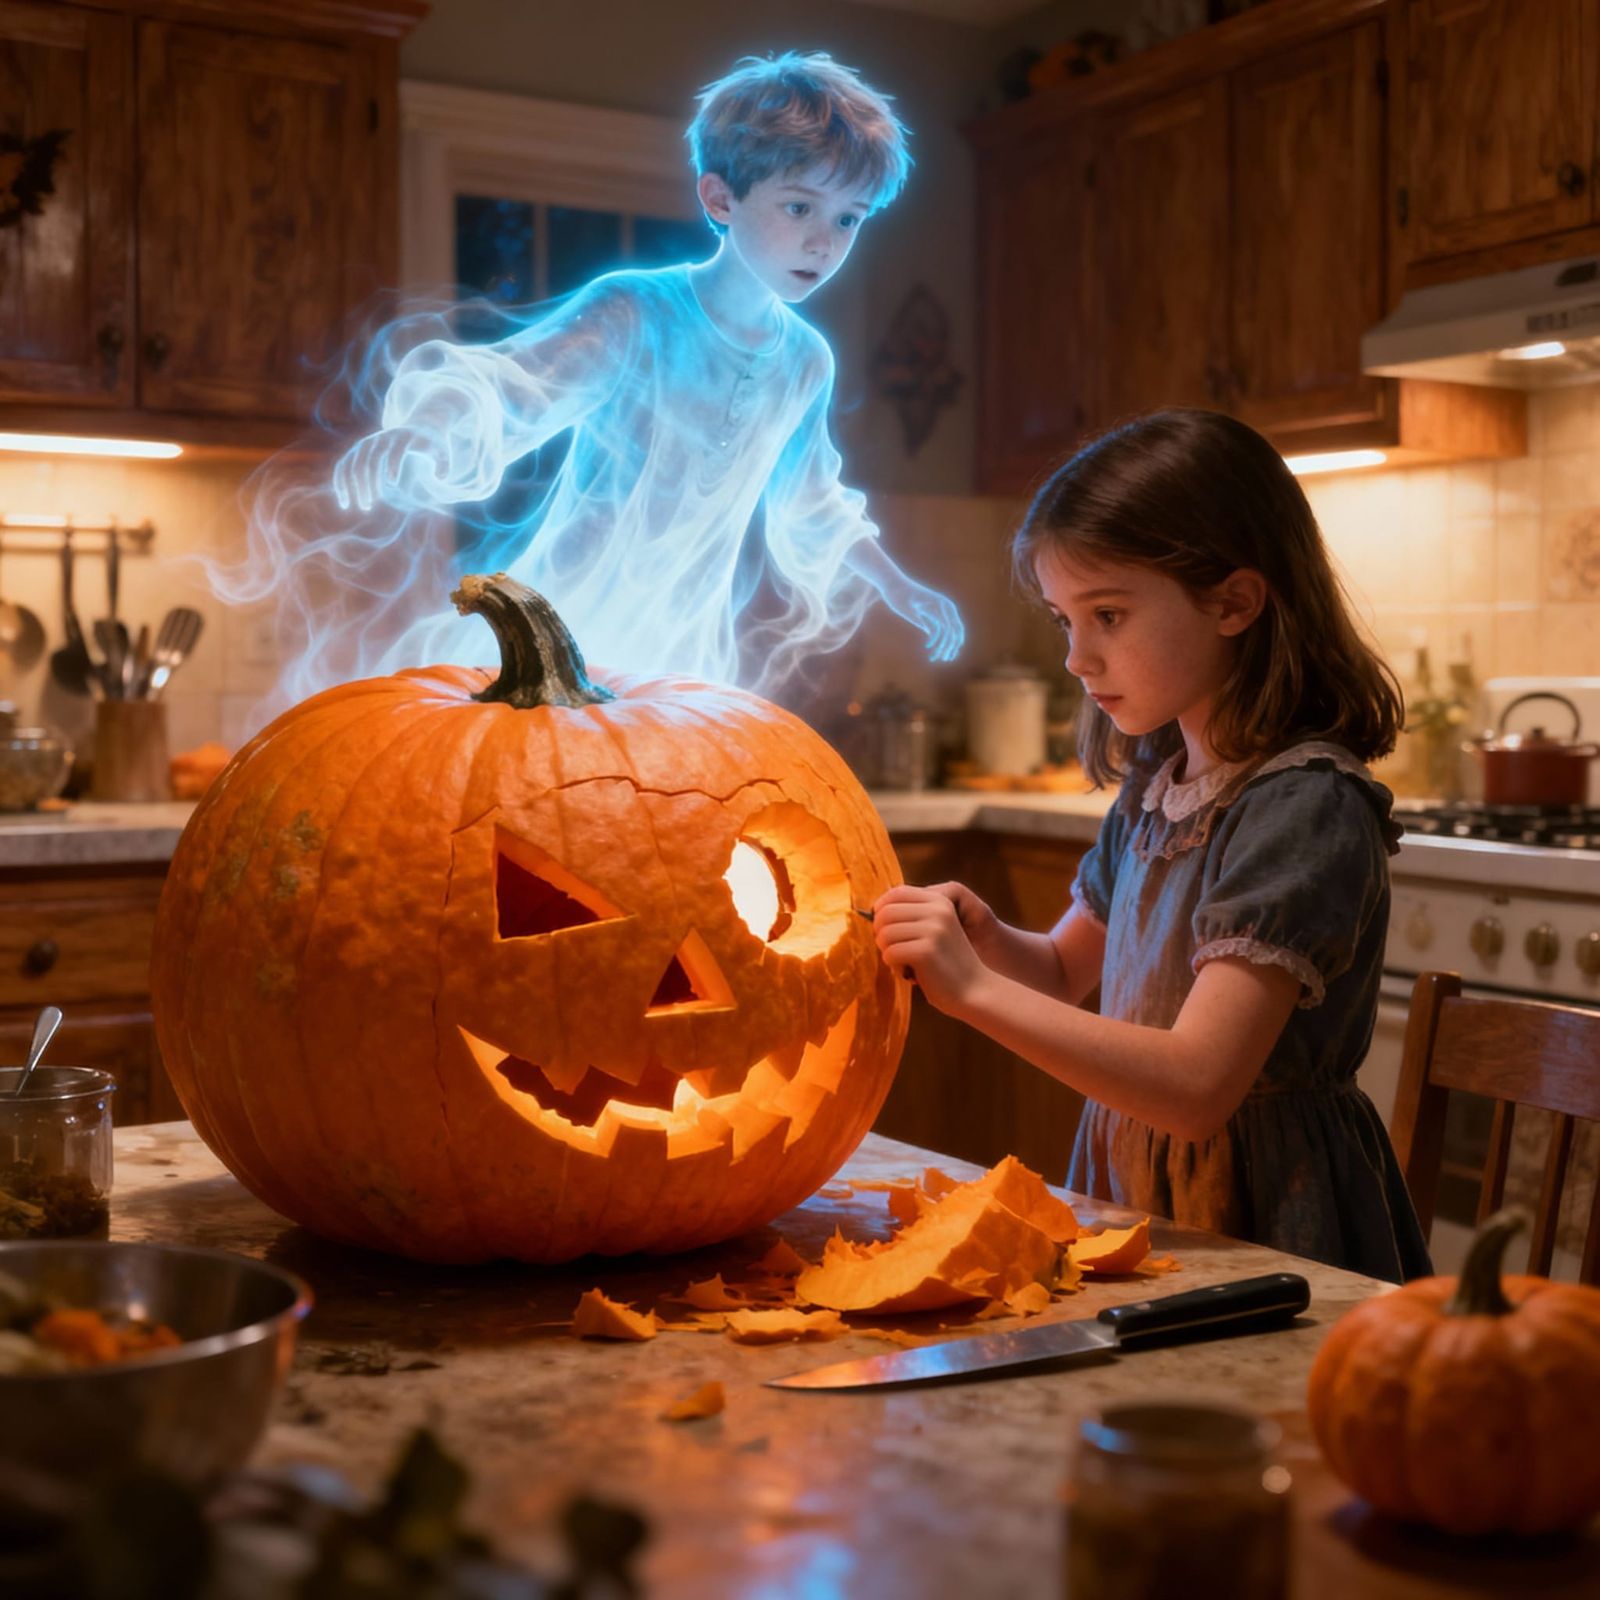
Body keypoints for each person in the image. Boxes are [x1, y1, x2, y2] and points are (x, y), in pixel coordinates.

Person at [872, 409, 1432, 1283]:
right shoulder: (1156, 789)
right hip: (1141, 1190)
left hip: (1270, 1225)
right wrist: (989, 941)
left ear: (1235, 602)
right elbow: (1062, 970)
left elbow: (1198, 1086)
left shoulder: (1304, 805)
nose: (1076, 658)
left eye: (1108, 614)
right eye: (1064, 620)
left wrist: (973, 991)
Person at [329, 50, 963, 692]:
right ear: (720, 197)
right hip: (558, 634)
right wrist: (428, 429)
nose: (824, 241)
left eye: (848, 218)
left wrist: (899, 585)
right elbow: (514, 383)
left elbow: (812, 499)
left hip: (676, 661)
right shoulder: (636, 309)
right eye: (800, 207)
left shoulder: (806, 361)